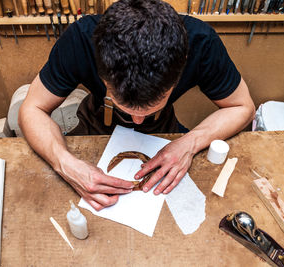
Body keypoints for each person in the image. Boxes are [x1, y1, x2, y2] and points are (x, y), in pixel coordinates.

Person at [18, 0, 255, 211]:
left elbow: (242, 107)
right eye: (128, 108)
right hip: (95, 123)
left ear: (182, 64)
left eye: (150, 106)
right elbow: (32, 109)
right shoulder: (82, 38)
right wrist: (65, 163)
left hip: (164, 130)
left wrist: (190, 143)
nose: (137, 121)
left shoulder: (201, 43)